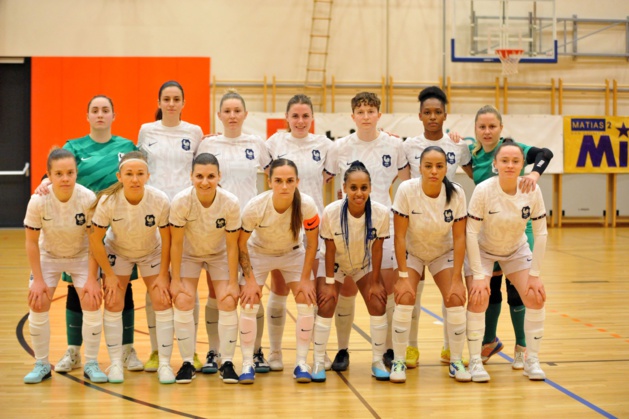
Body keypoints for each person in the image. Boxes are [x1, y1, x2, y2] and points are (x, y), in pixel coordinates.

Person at [34, 95, 141, 374]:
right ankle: (74, 351)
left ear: (114, 115)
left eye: (106, 110)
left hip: (120, 230)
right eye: (95, 110)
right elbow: (58, 172)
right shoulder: (74, 146)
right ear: (87, 116)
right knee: (79, 289)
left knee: (121, 285)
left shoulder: (127, 147)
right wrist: (45, 182)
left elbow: (138, 175)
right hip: (82, 231)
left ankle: (127, 349)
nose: (100, 114)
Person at [468, 105, 554, 369]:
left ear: (501, 128)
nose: (487, 131)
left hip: (518, 228)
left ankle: (523, 348)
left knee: (520, 291)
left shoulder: (512, 150)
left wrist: (534, 173)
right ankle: (486, 343)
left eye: (492, 126)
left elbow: (545, 153)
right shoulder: (472, 153)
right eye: (482, 126)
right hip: (488, 229)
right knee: (486, 290)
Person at [330, 92, 409, 371]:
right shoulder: (339, 147)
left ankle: (386, 349)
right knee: (347, 289)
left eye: (370, 111)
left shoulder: (395, 145)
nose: (365, 116)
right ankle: (342, 350)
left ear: (379, 115)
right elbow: (325, 178)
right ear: (352, 116)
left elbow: (408, 182)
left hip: (383, 225)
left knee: (383, 290)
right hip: (346, 226)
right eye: (360, 112)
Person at [197, 89, 272, 374]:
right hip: (216, 230)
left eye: (236, 111)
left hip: (250, 230)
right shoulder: (208, 145)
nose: (231, 115)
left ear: (245, 115)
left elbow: (273, 173)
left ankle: (256, 352)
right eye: (226, 111)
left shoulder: (257, 143)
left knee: (252, 292)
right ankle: (214, 351)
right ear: (219, 115)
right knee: (218, 293)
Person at [401, 86, 472, 368]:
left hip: (446, 233)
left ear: (445, 114)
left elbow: (478, 172)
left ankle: (448, 348)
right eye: (427, 112)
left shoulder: (459, 145)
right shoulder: (408, 146)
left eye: (437, 112)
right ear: (419, 115)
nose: (432, 116)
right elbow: (404, 185)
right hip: (416, 233)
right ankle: (411, 348)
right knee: (411, 295)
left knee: (451, 293)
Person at [89, 151, 174, 384]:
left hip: (151, 251)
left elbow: (167, 239)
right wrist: (108, 273)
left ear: (148, 175)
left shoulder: (159, 199)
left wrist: (165, 273)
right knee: (114, 300)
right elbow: (95, 239)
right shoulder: (108, 202)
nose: (135, 179)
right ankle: (116, 363)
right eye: (129, 174)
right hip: (119, 252)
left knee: (162, 299)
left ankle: (165, 364)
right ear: (120, 176)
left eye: (139, 174)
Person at [264, 94, 335, 371]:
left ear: (312, 118)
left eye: (306, 116)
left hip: (312, 225)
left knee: (311, 290)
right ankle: (275, 352)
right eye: (295, 116)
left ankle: (319, 352)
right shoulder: (273, 144)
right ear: (287, 118)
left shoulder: (326, 146)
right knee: (279, 290)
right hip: (280, 225)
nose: (301, 121)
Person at [23, 148, 106, 384]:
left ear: (76, 173)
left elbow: (94, 239)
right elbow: (30, 242)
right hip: (48, 255)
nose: (65, 178)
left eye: (70, 172)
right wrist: (38, 280)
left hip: (81, 255)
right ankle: (41, 364)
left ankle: (90, 362)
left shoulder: (87, 198)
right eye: (59, 174)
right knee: (37, 302)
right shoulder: (38, 201)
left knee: (91, 300)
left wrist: (92, 278)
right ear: (49, 175)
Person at [138, 80, 204, 372]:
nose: (172, 103)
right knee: (156, 283)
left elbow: (201, 168)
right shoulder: (146, 130)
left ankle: (193, 351)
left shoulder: (194, 132)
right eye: (167, 98)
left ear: (183, 102)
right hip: (153, 215)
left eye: (177, 99)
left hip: (186, 215)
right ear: (159, 101)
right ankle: (156, 350)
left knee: (188, 284)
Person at [391, 146, 470, 383]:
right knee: (405, 297)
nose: (434, 171)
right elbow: (399, 237)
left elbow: (459, 238)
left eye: (439, 166)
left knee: (455, 298)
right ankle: (398, 360)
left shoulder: (456, 193)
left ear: (446, 168)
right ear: (420, 168)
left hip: (441, 252)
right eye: (428, 166)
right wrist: (403, 276)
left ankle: (455, 359)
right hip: (412, 252)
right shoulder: (407, 190)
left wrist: (457, 279)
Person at [238, 159, 319, 383]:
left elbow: (312, 243)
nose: (284, 186)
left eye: (290, 181)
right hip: (259, 252)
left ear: (297, 182)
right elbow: (241, 243)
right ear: (269, 181)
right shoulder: (256, 206)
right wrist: (250, 280)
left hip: (292, 253)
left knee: (306, 300)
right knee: (249, 301)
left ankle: (302, 363)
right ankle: (247, 363)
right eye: (279, 181)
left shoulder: (307, 205)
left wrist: (305, 279)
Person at [313, 161, 389, 383]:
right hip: (335, 263)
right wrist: (328, 282)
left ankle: (377, 360)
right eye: (353, 188)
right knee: (326, 302)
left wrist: (375, 282)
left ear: (370, 188)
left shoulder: (381, 213)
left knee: (377, 301)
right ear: (344, 188)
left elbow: (377, 248)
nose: (359, 193)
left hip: (362, 263)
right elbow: (328, 249)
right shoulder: (331, 211)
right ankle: (318, 360)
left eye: (363, 188)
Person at [169, 153, 242, 384]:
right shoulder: (181, 201)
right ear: (190, 176)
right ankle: (188, 363)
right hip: (189, 254)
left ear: (219, 176)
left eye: (211, 176)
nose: (205, 181)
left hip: (219, 253)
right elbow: (177, 243)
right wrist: (175, 280)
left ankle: (227, 361)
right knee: (182, 299)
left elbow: (232, 246)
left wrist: (232, 282)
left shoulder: (230, 202)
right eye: (199, 176)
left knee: (228, 300)